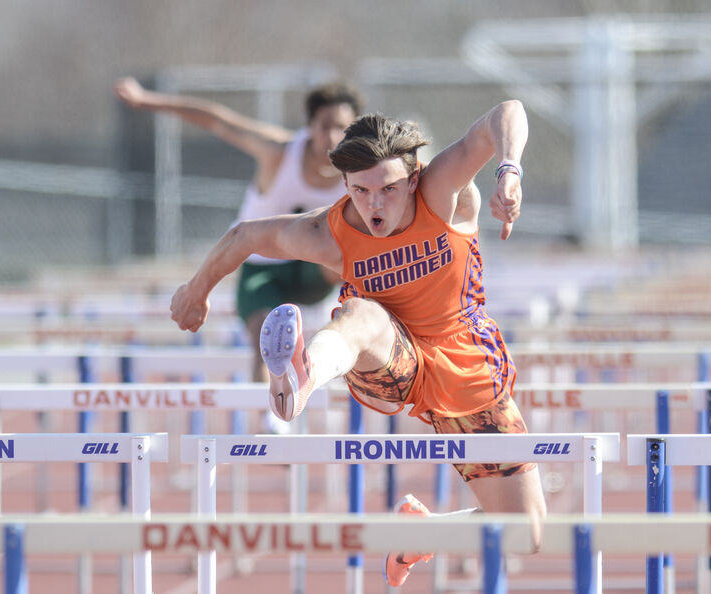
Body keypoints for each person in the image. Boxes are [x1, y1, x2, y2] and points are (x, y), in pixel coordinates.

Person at [169, 101, 547, 587]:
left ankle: (424, 536)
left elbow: (506, 113)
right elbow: (246, 235)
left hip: (469, 364)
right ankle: (301, 377)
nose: (374, 206)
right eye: (360, 191)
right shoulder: (332, 232)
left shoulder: (444, 191)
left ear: (412, 179)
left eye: (388, 190)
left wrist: (510, 170)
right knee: (362, 315)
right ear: (345, 186)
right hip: (390, 358)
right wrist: (196, 291)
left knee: (527, 532)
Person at [115, 76, 364, 384]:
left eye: (342, 127)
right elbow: (217, 120)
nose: (332, 136)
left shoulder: (360, 173)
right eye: (325, 125)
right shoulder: (279, 152)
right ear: (309, 126)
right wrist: (146, 100)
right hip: (263, 270)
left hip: (315, 271)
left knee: (352, 247)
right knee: (267, 337)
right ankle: (269, 420)